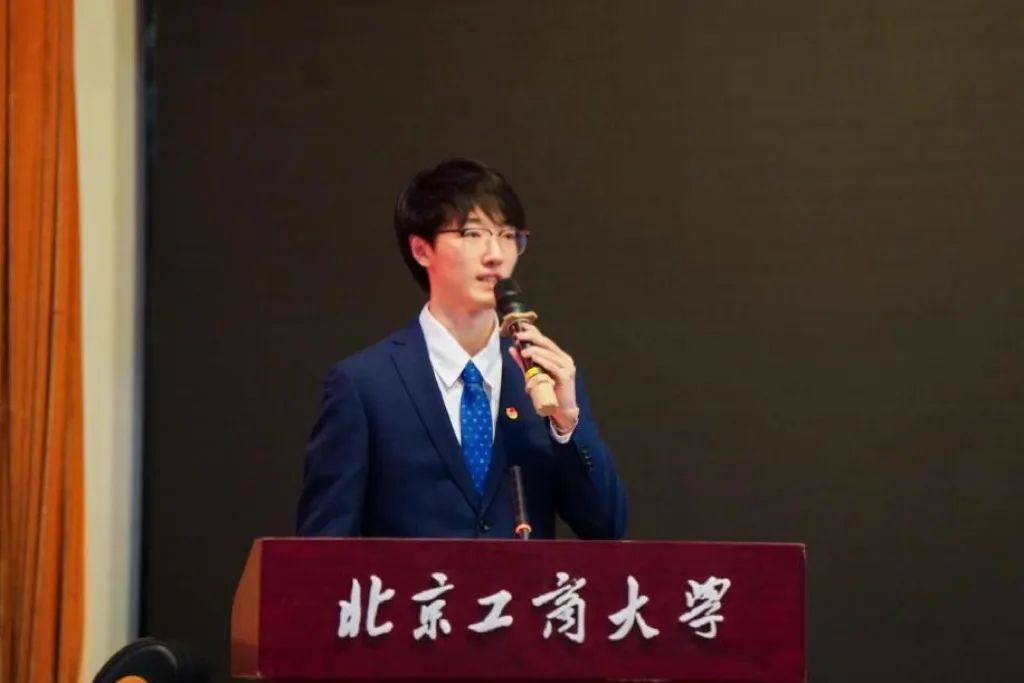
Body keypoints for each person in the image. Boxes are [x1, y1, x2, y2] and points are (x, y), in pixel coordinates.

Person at [296, 158, 628, 539]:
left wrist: (567, 425)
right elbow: (322, 550)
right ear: (421, 249)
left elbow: (606, 530)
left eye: (508, 235)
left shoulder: (544, 380)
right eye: (472, 234)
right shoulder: (365, 386)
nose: (495, 254)